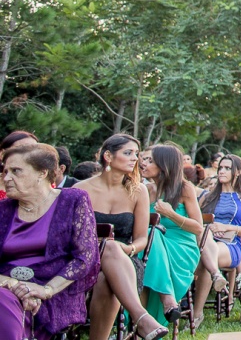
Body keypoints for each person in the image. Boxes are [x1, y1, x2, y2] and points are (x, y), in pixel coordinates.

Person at [0, 144, 101, 340]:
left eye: (15, 171)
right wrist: (13, 284)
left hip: (54, 292)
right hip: (5, 286)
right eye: (5, 172)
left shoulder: (72, 199)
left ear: (42, 173)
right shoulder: (3, 210)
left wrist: (45, 290)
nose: (6, 178)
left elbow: (84, 257)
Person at [74, 135, 171, 340]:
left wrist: (125, 249)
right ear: (108, 156)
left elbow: (141, 240)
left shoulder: (138, 191)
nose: (135, 159)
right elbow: (70, 236)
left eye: (136, 154)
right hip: (85, 260)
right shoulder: (80, 190)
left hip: (125, 263)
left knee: (107, 268)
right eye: (128, 153)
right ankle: (140, 317)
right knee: (107, 251)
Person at [140, 145, 202, 327]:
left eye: (150, 160)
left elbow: (198, 228)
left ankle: (166, 298)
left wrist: (171, 214)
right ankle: (143, 320)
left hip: (181, 247)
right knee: (151, 235)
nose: (144, 163)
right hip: (150, 247)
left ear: (164, 165)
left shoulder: (184, 189)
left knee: (153, 232)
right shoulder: (145, 190)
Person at [193, 154, 241, 320]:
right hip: (205, 242)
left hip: (231, 245)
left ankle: (197, 312)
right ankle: (215, 276)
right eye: (221, 167)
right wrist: (211, 229)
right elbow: (196, 222)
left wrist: (227, 227)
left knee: (208, 255)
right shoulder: (207, 196)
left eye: (227, 168)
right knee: (207, 250)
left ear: (237, 172)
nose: (222, 171)